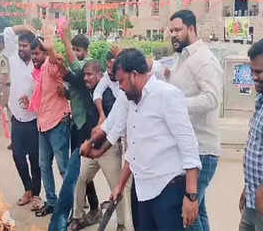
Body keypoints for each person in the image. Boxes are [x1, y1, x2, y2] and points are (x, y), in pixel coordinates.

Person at [95, 49, 202, 231]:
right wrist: (120, 185)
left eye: (121, 81)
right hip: (142, 189)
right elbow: (135, 150)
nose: (119, 86)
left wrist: (191, 196)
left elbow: (189, 146)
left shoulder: (167, 95)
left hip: (167, 189)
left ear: (135, 75)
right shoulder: (132, 101)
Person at [167, 10, 223, 231]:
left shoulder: (204, 59)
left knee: (187, 215)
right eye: (171, 30)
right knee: (198, 213)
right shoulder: (183, 58)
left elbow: (212, 98)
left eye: (178, 30)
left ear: (191, 28)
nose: (173, 34)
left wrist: (177, 104)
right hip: (190, 148)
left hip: (202, 150)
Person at [65, 60, 129, 231]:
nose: (86, 78)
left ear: (100, 75)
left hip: (109, 148)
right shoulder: (88, 91)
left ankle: (121, 224)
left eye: (90, 74)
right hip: (92, 148)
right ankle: (77, 217)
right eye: (85, 74)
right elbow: (71, 74)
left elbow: (113, 126)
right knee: (80, 178)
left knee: (116, 187)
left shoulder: (108, 95)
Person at [21, 21, 71, 217]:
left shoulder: (51, 65)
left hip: (58, 122)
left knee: (63, 168)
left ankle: (69, 208)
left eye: (37, 53)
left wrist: (50, 49)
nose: (34, 57)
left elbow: (58, 65)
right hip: (43, 124)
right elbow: (42, 97)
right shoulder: (39, 72)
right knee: (44, 165)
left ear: (44, 54)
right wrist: (29, 102)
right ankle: (51, 201)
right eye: (32, 54)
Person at [59, 24, 100, 221]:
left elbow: (75, 74)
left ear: (86, 52)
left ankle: (86, 210)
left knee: (80, 169)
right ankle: (90, 206)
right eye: (73, 49)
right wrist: (65, 93)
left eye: (78, 50)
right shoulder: (79, 74)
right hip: (76, 123)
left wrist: (65, 39)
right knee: (81, 170)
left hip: (86, 126)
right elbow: (74, 88)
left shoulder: (88, 68)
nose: (75, 53)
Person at [2, 24, 43, 211]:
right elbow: (8, 31)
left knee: (36, 158)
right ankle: (27, 189)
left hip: (34, 118)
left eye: (25, 46)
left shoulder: (39, 63)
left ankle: (36, 194)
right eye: (20, 45)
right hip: (17, 118)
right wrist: (26, 27)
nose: (21, 49)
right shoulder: (13, 58)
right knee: (18, 156)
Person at [239, 39, 263, 230]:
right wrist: (249, 187)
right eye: (253, 71)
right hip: (253, 200)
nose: (254, 77)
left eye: (260, 72)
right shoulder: (260, 101)